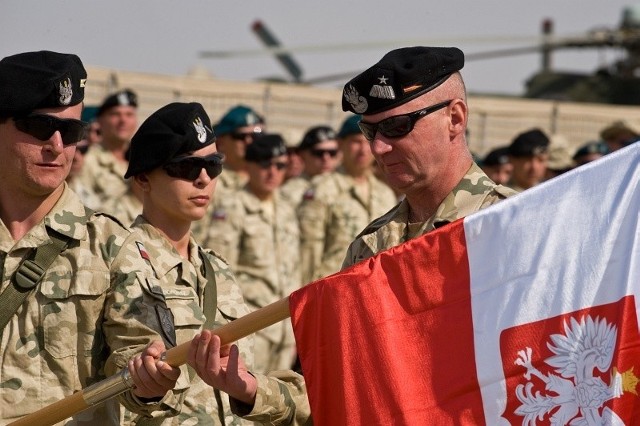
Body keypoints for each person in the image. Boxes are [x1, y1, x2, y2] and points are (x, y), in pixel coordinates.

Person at [0, 50, 180, 424]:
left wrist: (148, 380)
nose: (56, 145)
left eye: (70, 132)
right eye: (38, 127)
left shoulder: (112, 245)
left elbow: (139, 355)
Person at [122, 102, 309, 424]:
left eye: (213, 165)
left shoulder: (216, 269)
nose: (204, 178)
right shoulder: (116, 261)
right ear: (143, 179)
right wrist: (143, 386)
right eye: (186, 168)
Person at [339, 46, 517, 267]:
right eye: (370, 131)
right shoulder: (368, 246)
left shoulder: (511, 224)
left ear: (455, 119)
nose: (378, 148)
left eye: (396, 126)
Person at [203, 134, 301, 373]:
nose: (272, 172)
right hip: (251, 324)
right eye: (265, 165)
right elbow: (220, 272)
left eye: (280, 166)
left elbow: (297, 268)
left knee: (279, 400)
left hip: (285, 327)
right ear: (248, 166)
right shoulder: (232, 206)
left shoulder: (287, 207)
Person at [297, 115, 397, 283]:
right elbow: (309, 250)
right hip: (334, 288)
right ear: (340, 144)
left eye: (368, 141)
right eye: (356, 142)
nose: (363, 149)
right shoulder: (323, 189)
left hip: (376, 288)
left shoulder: (384, 193)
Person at [78, 88, 139, 206]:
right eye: (115, 114)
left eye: (129, 114)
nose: (123, 120)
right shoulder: (86, 161)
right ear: (100, 121)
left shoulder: (140, 162)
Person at [280, 125, 341, 208]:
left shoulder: (346, 183)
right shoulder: (289, 192)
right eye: (318, 153)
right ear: (304, 154)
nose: (326, 158)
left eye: (332, 152)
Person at [213, 105, 265, 192]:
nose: (249, 141)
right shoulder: (212, 181)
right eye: (240, 136)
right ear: (221, 141)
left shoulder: (270, 175)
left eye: (255, 135)